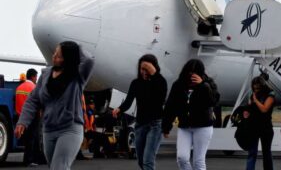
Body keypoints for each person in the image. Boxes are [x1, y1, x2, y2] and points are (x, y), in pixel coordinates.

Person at [15, 41, 94, 170]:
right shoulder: (45, 75)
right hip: (49, 130)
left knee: (59, 167)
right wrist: (22, 122)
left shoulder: (78, 76)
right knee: (54, 167)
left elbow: (89, 60)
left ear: (67, 59)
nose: (54, 57)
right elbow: (33, 99)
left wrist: (74, 47)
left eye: (59, 55)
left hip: (70, 129)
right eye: (55, 53)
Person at [112, 54, 167, 170]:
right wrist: (120, 109)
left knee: (148, 161)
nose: (144, 71)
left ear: (154, 68)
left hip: (155, 125)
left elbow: (161, 98)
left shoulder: (160, 82)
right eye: (142, 68)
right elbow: (128, 101)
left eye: (147, 69)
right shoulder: (136, 83)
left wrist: (153, 73)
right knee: (141, 161)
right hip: (140, 124)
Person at [162, 59, 220, 170]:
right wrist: (166, 126)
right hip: (185, 126)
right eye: (190, 73)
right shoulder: (178, 85)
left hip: (203, 126)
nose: (192, 76)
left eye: (195, 73)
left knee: (198, 161)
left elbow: (213, 102)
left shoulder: (208, 83)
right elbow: (171, 106)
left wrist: (202, 85)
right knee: (182, 158)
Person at [245, 76, 275, 170]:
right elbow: (249, 109)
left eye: (257, 87)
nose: (255, 89)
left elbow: (264, 109)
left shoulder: (270, 94)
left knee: (266, 153)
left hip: (266, 127)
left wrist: (255, 100)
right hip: (254, 127)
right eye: (254, 87)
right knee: (252, 152)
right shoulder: (253, 95)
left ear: (262, 86)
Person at [15, 68, 41, 166]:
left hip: (20, 117)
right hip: (32, 117)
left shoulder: (19, 87)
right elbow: (38, 103)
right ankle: (29, 160)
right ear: (33, 77)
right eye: (36, 77)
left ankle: (28, 159)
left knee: (26, 139)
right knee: (32, 139)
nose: (36, 79)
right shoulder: (33, 87)